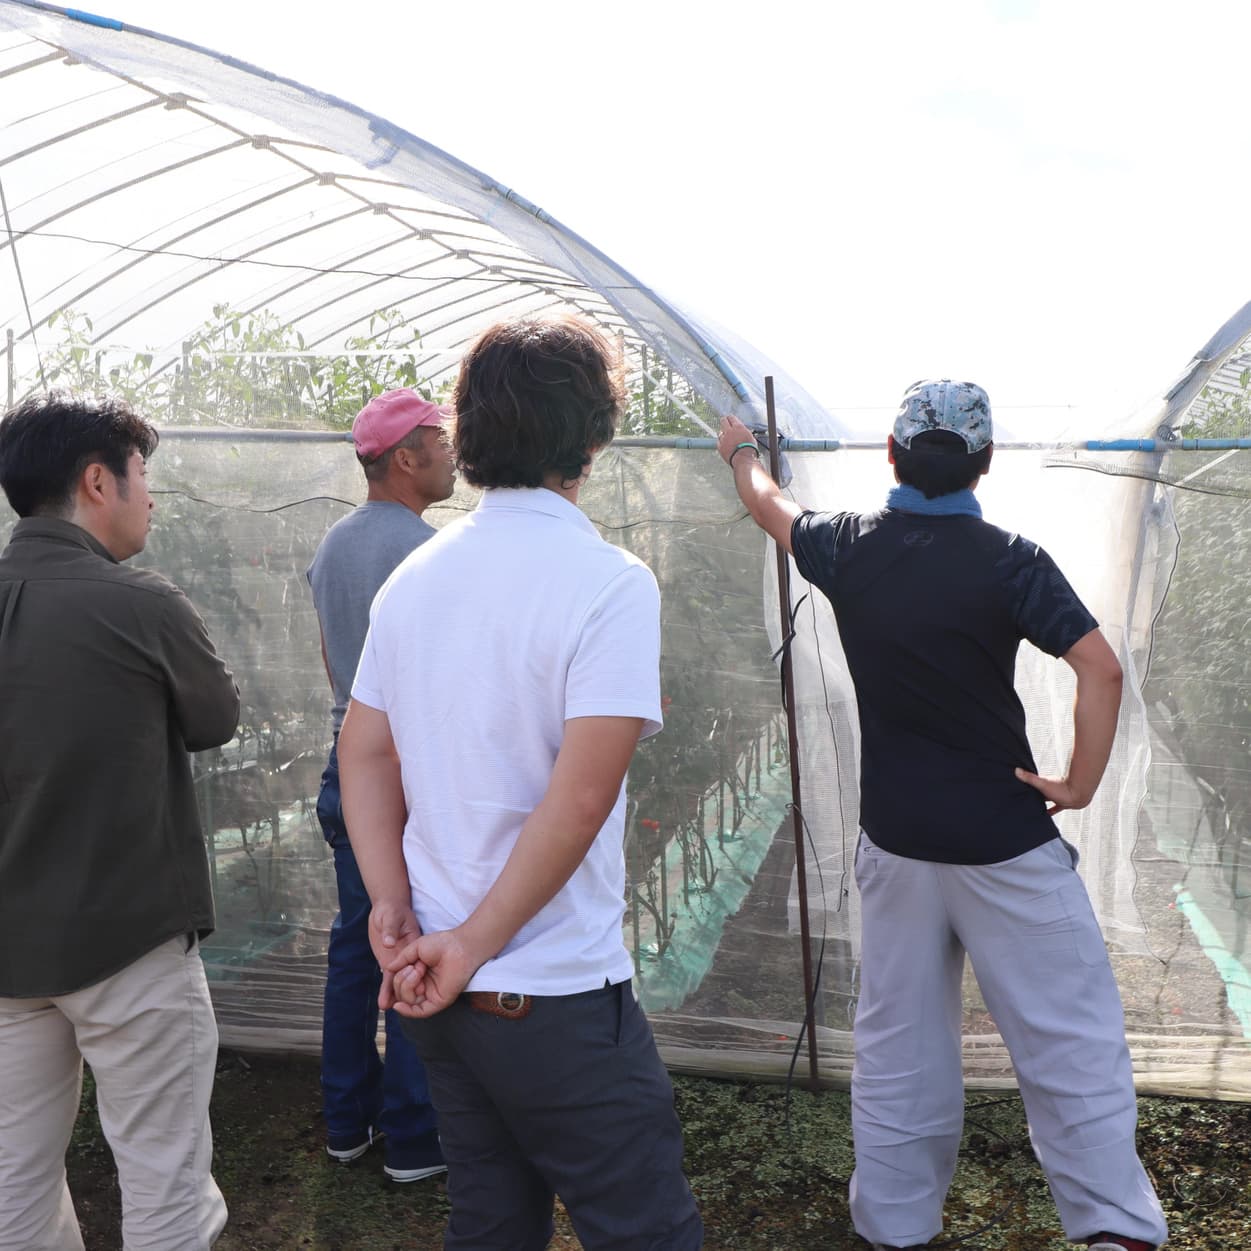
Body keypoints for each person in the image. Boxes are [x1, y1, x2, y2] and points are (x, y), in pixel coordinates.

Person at [717, 381, 1168, 1251]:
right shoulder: (1010, 560)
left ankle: (892, 1226)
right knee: (1067, 1041)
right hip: (1002, 842)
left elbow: (768, 503)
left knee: (899, 1046)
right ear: (984, 464)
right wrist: (1075, 784)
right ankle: (1112, 1230)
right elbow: (1100, 671)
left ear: (892, 455)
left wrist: (742, 451)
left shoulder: (845, 546)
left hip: (896, 844)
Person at [337, 315, 704, 1251]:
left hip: (441, 999)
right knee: (643, 1227)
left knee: (492, 1219)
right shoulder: (608, 581)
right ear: (590, 439)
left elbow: (364, 753)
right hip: (550, 991)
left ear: (466, 437)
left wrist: (394, 906)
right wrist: (470, 943)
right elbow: (580, 799)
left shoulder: (413, 579)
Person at [0, 392, 240, 1250]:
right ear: (97, 481)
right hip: (128, 940)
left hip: (7, 959)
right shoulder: (141, 604)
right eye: (143, 477)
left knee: (13, 1187)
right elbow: (215, 721)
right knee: (165, 1180)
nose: (151, 497)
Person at [306, 388, 454, 1181]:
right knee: (413, 939)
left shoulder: (333, 547)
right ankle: (414, 1138)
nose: (451, 453)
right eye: (439, 439)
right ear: (405, 456)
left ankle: (344, 1121)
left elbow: (337, 665)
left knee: (355, 943)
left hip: (347, 761)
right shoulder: (426, 552)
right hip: (406, 771)